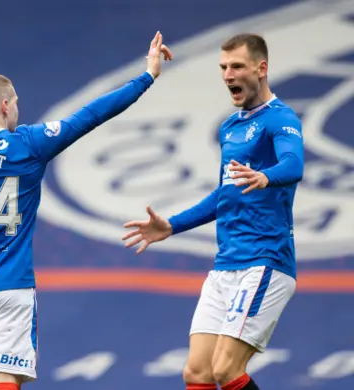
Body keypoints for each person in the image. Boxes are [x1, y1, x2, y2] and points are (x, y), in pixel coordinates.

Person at [0, 32, 172, 390]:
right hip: (9, 286)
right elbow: (91, 114)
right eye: (15, 101)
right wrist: (147, 76)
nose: (17, 108)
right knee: (2, 380)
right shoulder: (30, 144)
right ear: (5, 106)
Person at [121, 33, 303, 390]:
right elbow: (225, 195)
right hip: (226, 265)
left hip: (264, 261)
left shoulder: (280, 118)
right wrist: (171, 225)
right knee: (197, 373)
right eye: (223, 67)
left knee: (226, 370)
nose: (227, 75)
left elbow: (294, 164)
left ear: (261, 68)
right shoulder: (230, 127)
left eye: (236, 66)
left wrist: (266, 177)